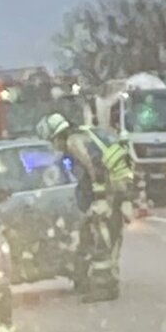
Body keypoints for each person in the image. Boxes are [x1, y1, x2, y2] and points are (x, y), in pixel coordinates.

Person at [37, 112, 133, 303]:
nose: (53, 146)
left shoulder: (73, 142)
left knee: (102, 237)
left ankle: (104, 287)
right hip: (120, 184)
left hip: (113, 187)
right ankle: (98, 281)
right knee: (106, 235)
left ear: (57, 136)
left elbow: (94, 167)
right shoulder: (85, 133)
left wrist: (99, 200)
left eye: (52, 140)